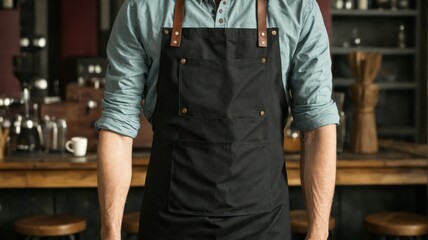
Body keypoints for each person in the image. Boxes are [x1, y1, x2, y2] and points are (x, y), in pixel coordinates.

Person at [96, 0, 339, 239]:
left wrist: (318, 232)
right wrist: (110, 232)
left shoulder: (297, 8)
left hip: (263, 225)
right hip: (170, 223)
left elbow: (317, 126)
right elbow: (117, 127)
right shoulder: (142, 8)